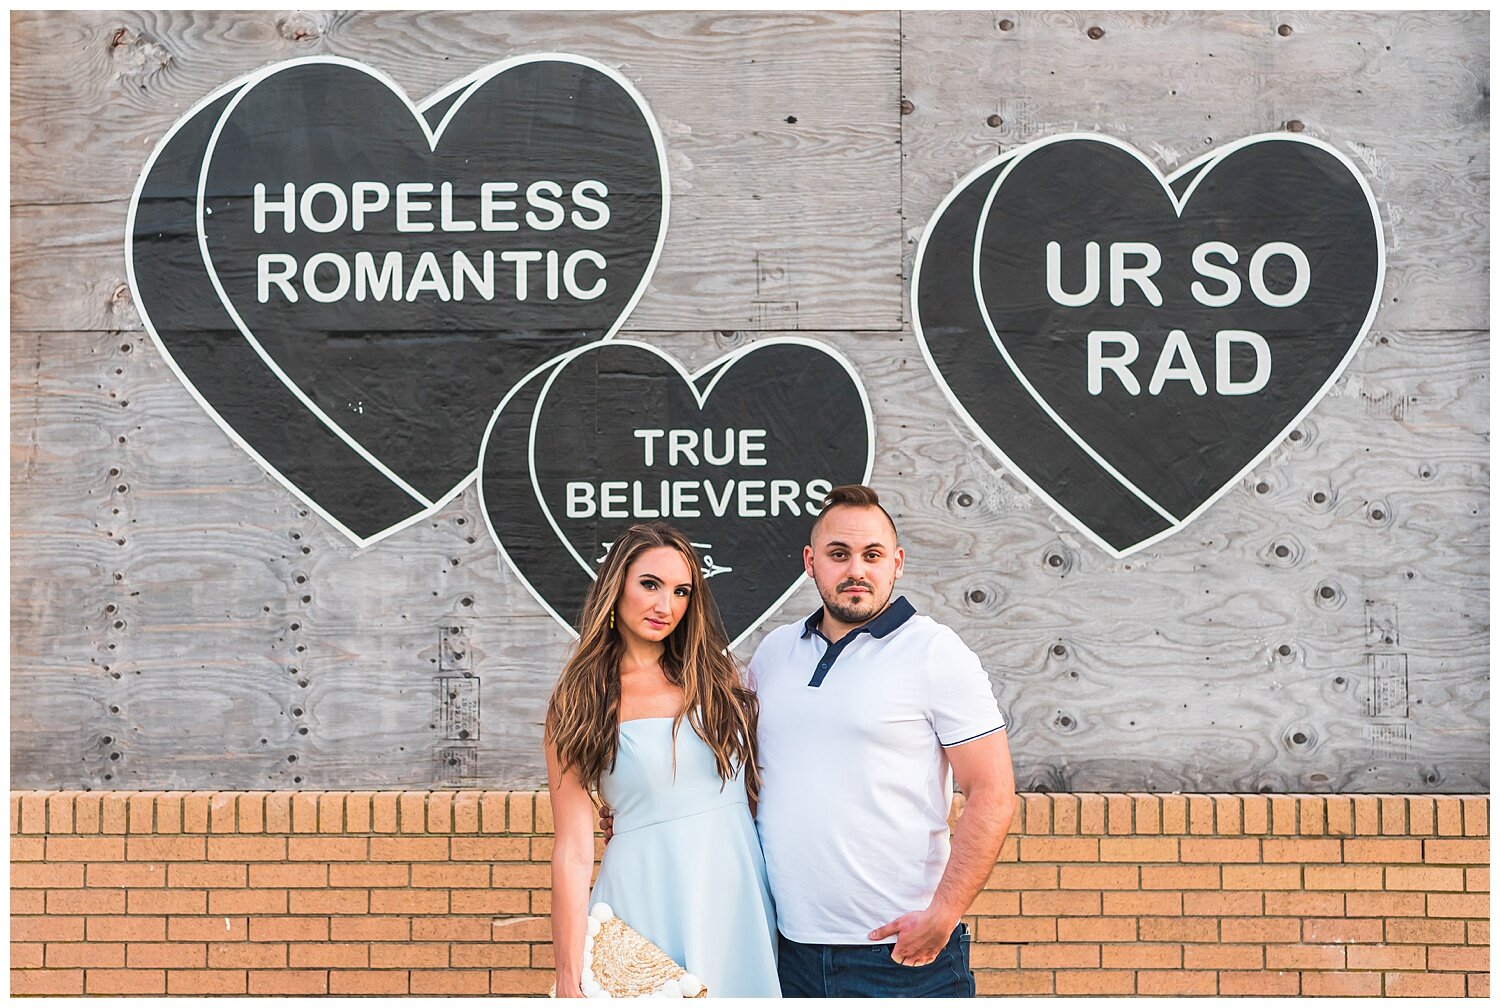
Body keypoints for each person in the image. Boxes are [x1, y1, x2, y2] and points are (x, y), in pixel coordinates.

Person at [750, 484, 1017, 997]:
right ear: (810, 562)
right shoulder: (774, 654)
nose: (856, 570)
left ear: (896, 562)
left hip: (899, 957)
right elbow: (740, 772)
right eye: (838, 554)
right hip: (788, 952)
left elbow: (993, 791)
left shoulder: (935, 652)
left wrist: (944, 913)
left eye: (872, 555)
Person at [545, 522, 780, 998]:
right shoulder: (580, 699)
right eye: (650, 584)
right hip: (644, 904)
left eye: (680, 591)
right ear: (617, 586)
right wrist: (569, 977)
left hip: (739, 901)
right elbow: (572, 850)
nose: (664, 606)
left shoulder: (719, 681)